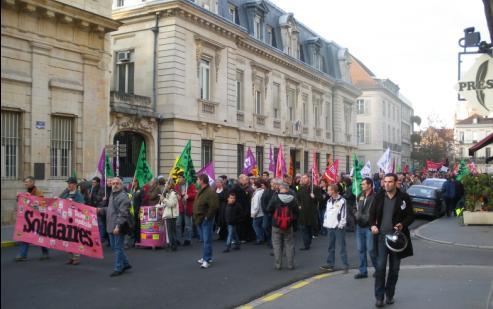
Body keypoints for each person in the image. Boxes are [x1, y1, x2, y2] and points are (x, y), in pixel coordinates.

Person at [369, 173, 415, 307]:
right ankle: (379, 297)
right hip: (382, 237)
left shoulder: (403, 198)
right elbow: (371, 214)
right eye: (385, 181)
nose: (386, 184)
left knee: (394, 269)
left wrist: (402, 225)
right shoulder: (379, 197)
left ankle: (389, 295)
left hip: (397, 239)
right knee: (381, 268)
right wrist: (372, 225)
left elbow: (411, 216)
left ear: (396, 183)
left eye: (390, 182)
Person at [97, 177, 132, 276]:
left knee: (117, 248)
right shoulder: (112, 195)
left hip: (118, 226)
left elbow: (123, 213)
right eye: (113, 183)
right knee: (115, 247)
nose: (115, 185)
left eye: (117, 183)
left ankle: (118, 268)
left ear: (121, 185)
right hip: (110, 225)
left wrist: (118, 226)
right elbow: (111, 209)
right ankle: (126, 263)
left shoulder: (123, 197)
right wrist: (101, 210)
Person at [15, 176, 49, 262]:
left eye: (27, 182)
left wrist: (31, 198)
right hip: (28, 219)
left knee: (40, 236)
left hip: (37, 219)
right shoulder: (26, 192)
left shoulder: (38, 192)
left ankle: (45, 252)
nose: (25, 183)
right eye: (25, 182)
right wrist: (19, 198)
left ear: (32, 183)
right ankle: (23, 255)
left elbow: (42, 204)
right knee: (25, 236)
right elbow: (22, 204)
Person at [266, 182, 299, 270]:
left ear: (280, 188)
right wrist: (291, 219)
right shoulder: (292, 198)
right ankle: (290, 265)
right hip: (288, 225)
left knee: (277, 245)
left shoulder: (275, 197)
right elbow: (297, 212)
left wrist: (274, 215)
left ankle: (278, 265)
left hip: (276, 225)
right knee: (289, 245)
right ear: (287, 189)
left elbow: (268, 209)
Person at [320, 183, 349, 273]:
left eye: (329, 190)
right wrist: (326, 223)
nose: (327, 191)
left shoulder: (342, 201)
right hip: (330, 226)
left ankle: (345, 266)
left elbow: (344, 214)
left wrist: (340, 225)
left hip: (338, 227)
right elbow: (327, 213)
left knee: (341, 247)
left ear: (333, 191)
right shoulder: (329, 201)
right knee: (330, 246)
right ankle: (330, 264)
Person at [353, 178, 378, 279]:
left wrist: (366, 219)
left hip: (369, 227)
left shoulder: (375, 197)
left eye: (363, 184)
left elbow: (376, 212)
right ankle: (363, 271)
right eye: (361, 184)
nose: (361, 186)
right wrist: (355, 213)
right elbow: (355, 207)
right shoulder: (360, 195)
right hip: (359, 226)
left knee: (371, 250)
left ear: (370, 185)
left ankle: (378, 269)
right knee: (360, 249)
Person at [193, 174, 219, 269]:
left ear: (202, 180)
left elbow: (214, 206)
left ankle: (206, 260)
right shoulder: (201, 191)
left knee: (207, 240)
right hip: (199, 218)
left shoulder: (210, 192)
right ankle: (207, 256)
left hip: (205, 219)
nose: (197, 181)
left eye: (198, 179)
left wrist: (207, 217)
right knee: (205, 240)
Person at [59, 177, 85, 265]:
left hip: (74, 220)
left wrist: (72, 202)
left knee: (75, 239)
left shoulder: (78, 195)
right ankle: (70, 257)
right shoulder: (66, 192)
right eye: (68, 183)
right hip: (65, 219)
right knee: (67, 239)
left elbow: (82, 206)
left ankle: (76, 257)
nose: (68, 185)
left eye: (70, 183)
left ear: (74, 184)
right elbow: (59, 199)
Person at [297, 174, 322, 251]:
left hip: (311, 212)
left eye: (305, 178)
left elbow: (320, 199)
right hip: (302, 212)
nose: (303, 179)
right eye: (302, 178)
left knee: (309, 228)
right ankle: (306, 244)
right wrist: (299, 205)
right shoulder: (300, 188)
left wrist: (314, 197)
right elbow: (298, 199)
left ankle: (308, 241)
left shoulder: (315, 188)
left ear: (309, 179)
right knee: (303, 228)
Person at [175, 173, 197, 246]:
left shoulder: (190, 185)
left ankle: (188, 239)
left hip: (188, 207)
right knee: (178, 224)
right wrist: (177, 195)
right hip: (180, 207)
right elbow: (175, 193)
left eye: (180, 177)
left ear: (184, 178)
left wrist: (188, 196)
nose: (179, 179)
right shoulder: (177, 185)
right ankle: (178, 239)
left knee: (188, 225)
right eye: (178, 177)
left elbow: (194, 194)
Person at [161, 182, 179, 251]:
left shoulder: (173, 194)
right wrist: (163, 200)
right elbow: (167, 203)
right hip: (169, 214)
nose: (165, 186)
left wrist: (164, 199)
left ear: (169, 185)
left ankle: (173, 246)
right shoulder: (169, 193)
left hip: (171, 215)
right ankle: (173, 245)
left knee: (171, 231)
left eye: (166, 184)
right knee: (171, 231)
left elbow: (171, 204)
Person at [251, 179, 265, 244]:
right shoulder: (262, 191)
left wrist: (254, 214)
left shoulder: (257, 193)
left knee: (255, 226)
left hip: (258, 213)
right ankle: (262, 237)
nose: (252, 186)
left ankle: (259, 238)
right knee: (260, 226)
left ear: (256, 186)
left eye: (253, 185)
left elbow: (256, 205)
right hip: (262, 212)